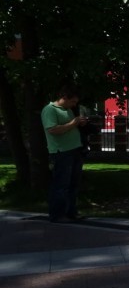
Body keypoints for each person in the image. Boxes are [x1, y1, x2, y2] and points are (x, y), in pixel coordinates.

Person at [41, 84, 88, 223]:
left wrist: (80, 123)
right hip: (61, 152)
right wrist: (74, 123)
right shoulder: (50, 110)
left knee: (73, 184)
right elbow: (53, 130)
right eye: (72, 101)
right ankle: (57, 215)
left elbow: (70, 126)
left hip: (74, 150)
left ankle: (71, 212)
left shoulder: (67, 110)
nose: (74, 104)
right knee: (61, 184)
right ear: (64, 97)